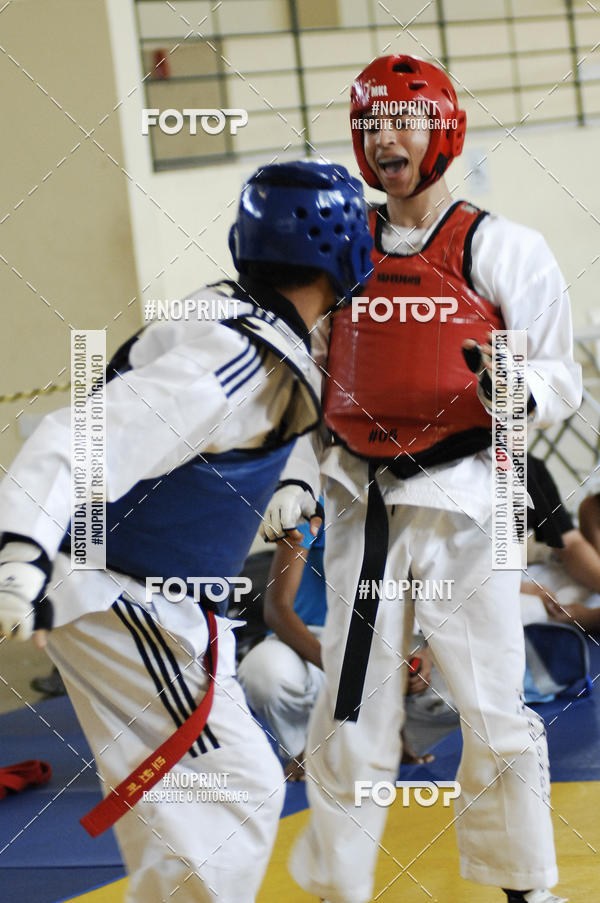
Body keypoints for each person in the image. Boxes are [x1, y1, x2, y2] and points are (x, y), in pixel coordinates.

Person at [0, 161, 373, 903]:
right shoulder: (240, 353)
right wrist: (19, 553)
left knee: (182, 814)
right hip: (121, 594)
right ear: (345, 251)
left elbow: (241, 426)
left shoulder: (237, 321)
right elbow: (81, 437)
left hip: (155, 598)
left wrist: (291, 478)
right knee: (235, 788)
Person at [262, 56, 581, 903]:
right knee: (347, 714)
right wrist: (293, 475)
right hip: (359, 501)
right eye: (368, 123)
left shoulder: (503, 245)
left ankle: (524, 887)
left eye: (401, 120)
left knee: (495, 710)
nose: (383, 138)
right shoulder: (343, 247)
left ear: (443, 129)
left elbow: (563, 377)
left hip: (468, 503)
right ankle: (339, 887)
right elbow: (310, 379)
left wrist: (513, 388)